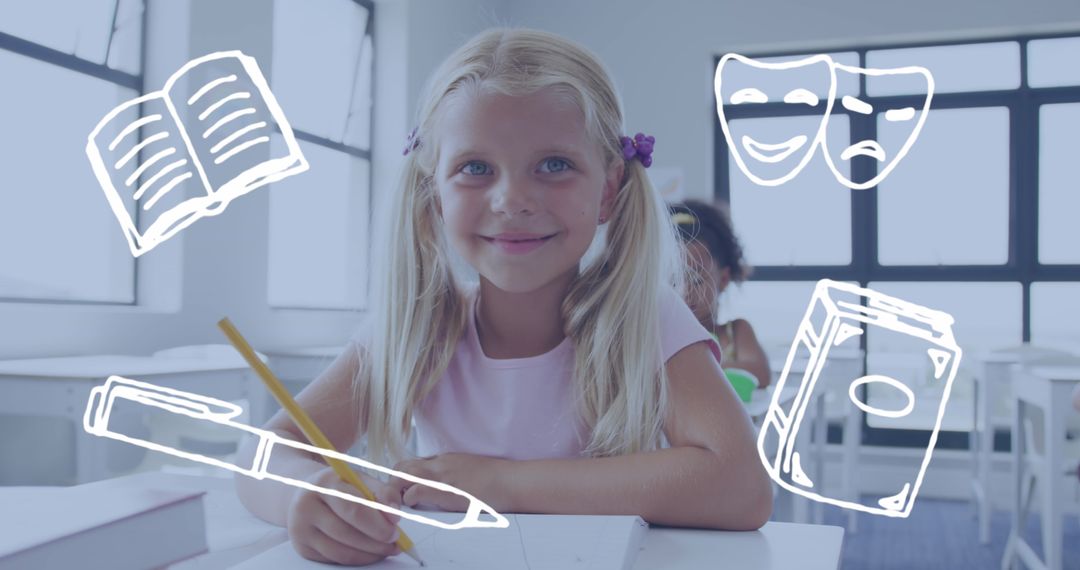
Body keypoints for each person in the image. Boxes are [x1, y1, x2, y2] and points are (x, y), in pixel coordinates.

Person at [235, 28, 772, 566]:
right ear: (434, 193)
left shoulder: (646, 318)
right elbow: (263, 452)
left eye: (554, 165)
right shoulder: (418, 328)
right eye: (475, 168)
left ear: (607, 190)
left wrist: (501, 483)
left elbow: (741, 487)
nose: (512, 200)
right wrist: (305, 496)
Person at [669, 199, 771, 388]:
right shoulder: (661, 337)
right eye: (673, 282)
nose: (684, 292)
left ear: (723, 280)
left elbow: (761, 374)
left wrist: (695, 367)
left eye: (697, 281)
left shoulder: (736, 332)